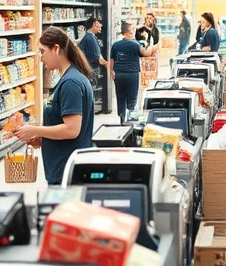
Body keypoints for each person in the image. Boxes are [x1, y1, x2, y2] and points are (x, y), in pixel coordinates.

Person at [14, 28, 95, 186]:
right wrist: (43, 138)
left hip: (67, 174)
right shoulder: (70, 78)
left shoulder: (71, 83)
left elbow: (72, 130)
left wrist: (35, 130)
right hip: (64, 168)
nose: (41, 58)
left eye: (42, 51)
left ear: (56, 48)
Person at [106, 21, 157, 123]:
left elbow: (111, 60)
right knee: (132, 98)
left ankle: (121, 119)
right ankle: (131, 121)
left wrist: (111, 72)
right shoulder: (136, 44)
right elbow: (146, 53)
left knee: (120, 97)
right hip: (132, 74)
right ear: (129, 32)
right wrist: (152, 46)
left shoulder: (116, 45)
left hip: (119, 74)